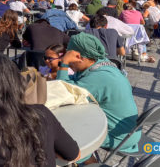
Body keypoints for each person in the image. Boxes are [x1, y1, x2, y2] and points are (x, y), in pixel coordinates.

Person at [56, 33, 140, 163]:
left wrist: (64, 63)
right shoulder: (103, 65)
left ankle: (91, 163)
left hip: (120, 138)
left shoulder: (98, 78)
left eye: (70, 59)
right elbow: (76, 79)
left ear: (79, 57)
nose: (70, 66)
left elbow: (62, 92)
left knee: (65, 142)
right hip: (131, 132)